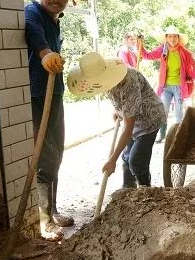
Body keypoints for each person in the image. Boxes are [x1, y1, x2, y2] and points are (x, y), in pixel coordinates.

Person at [24, 0, 86, 241]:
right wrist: (45, 53)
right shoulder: (33, 13)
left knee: (57, 154)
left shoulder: (55, 21)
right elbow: (34, 36)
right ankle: (44, 220)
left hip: (54, 93)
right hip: (38, 95)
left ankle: (53, 209)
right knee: (45, 157)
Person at [67, 52, 166, 188]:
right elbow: (119, 99)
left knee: (136, 160)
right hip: (132, 119)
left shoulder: (129, 81)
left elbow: (128, 126)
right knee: (126, 156)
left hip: (149, 119)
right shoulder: (105, 82)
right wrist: (119, 110)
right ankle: (127, 189)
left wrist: (112, 160)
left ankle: (145, 192)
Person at [138, 26, 195, 142]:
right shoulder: (163, 50)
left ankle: (178, 135)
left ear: (178, 38)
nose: (172, 39)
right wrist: (140, 46)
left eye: (174, 36)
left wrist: (191, 78)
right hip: (165, 87)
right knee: (163, 110)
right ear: (166, 38)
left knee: (179, 112)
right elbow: (147, 55)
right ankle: (162, 134)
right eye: (169, 36)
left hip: (179, 87)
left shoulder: (184, 52)